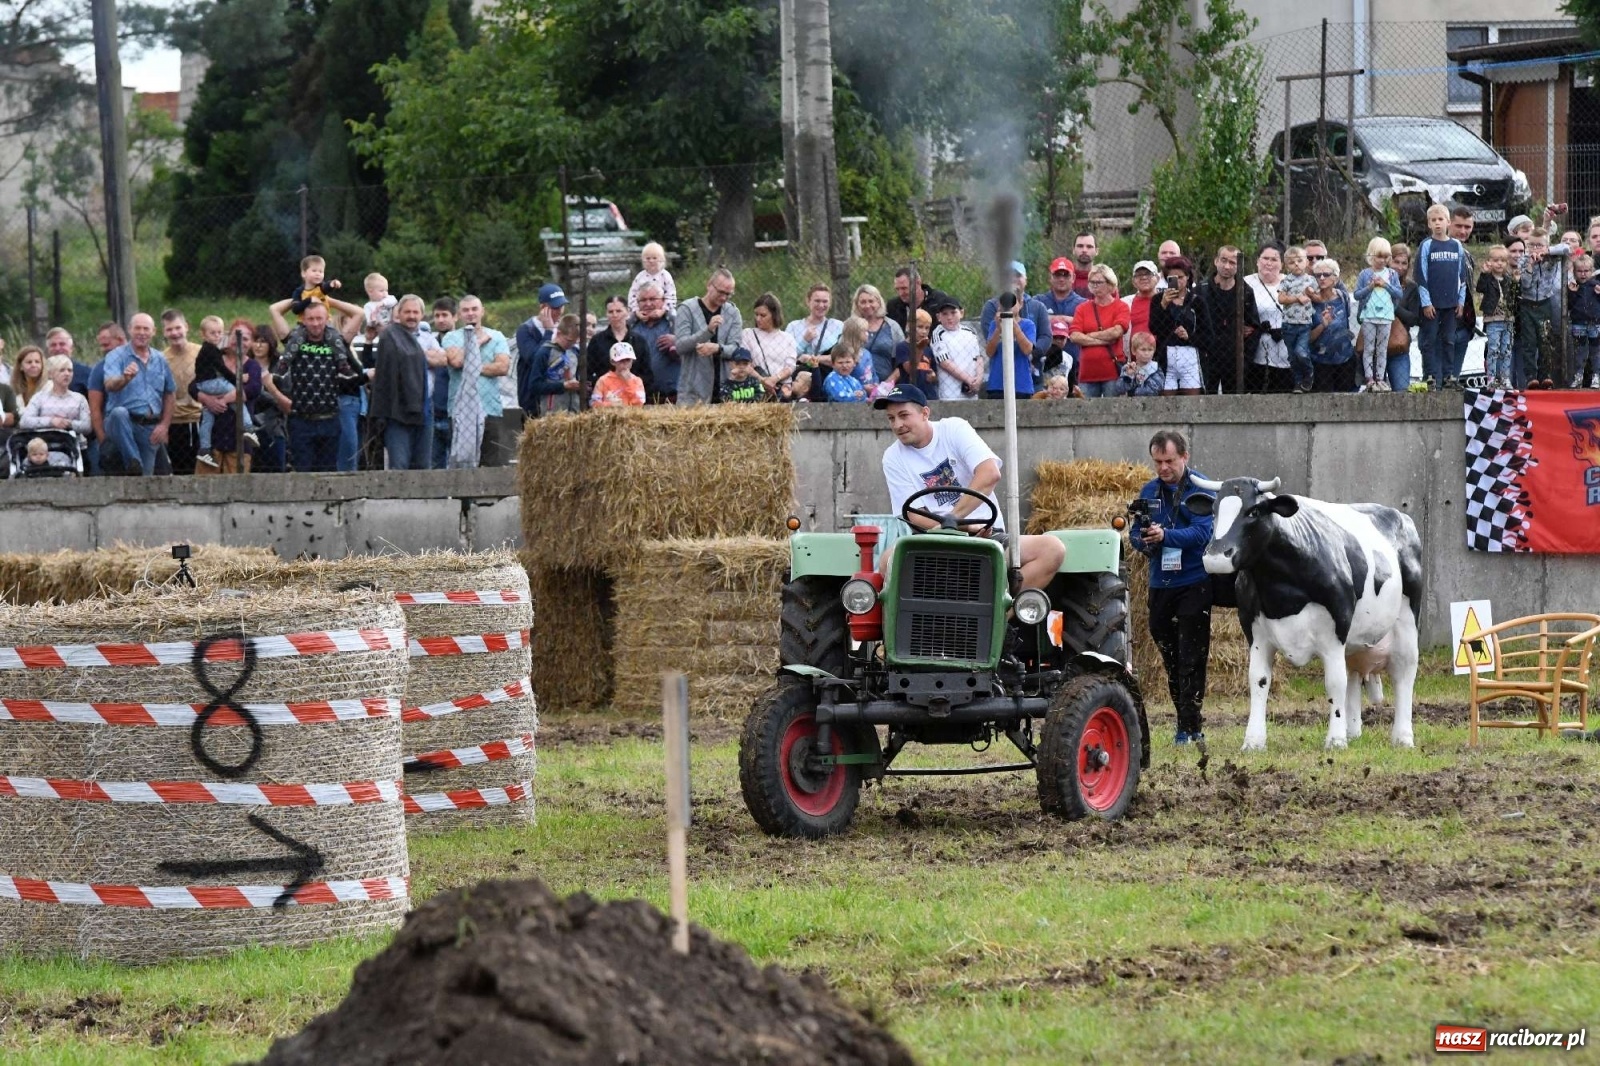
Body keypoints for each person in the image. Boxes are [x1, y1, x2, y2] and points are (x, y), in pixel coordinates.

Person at [876, 383, 1065, 589]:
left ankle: (1002, 617)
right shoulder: (892, 457)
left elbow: (990, 473)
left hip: (987, 535)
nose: (897, 425)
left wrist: (955, 519)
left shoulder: (954, 429)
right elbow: (915, 516)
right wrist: (957, 527)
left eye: (904, 415)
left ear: (924, 413)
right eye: (891, 418)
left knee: (1052, 549)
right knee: (888, 562)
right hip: (932, 539)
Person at [1127, 429, 1216, 745]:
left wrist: (1167, 537)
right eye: (1157, 462)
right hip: (1160, 584)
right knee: (1170, 658)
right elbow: (1135, 534)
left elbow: (1203, 534)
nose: (1163, 468)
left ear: (1184, 457)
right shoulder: (1149, 491)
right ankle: (1185, 722)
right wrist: (1145, 540)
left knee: (1192, 656)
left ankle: (1190, 727)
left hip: (1194, 582)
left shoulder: (1201, 488)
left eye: (1169, 461)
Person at [271, 299, 361, 473]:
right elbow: (274, 309)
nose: (315, 323)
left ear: (327, 318)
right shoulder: (294, 341)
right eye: (310, 319)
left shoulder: (337, 341)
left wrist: (327, 299)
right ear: (303, 320)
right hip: (301, 420)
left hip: (330, 418)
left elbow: (358, 313)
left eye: (320, 318)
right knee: (303, 472)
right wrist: (304, 296)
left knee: (327, 472)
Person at [101, 312, 176, 476]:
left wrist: (164, 425)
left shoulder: (160, 359)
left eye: (146, 329)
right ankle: (133, 460)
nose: (142, 333)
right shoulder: (116, 356)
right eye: (137, 328)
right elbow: (109, 384)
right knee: (119, 413)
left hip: (149, 426)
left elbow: (170, 394)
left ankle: (138, 469)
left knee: (145, 479)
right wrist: (125, 379)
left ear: (154, 331)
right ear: (129, 330)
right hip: (122, 422)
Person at [442, 295, 512, 469]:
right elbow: (456, 361)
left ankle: (489, 498)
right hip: (460, 410)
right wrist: (477, 342)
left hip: (490, 407)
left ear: (482, 311)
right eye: (466, 310)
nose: (470, 314)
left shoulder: (497, 337)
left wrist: (472, 367)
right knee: (463, 462)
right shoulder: (450, 337)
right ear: (459, 314)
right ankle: (466, 497)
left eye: (474, 309)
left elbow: (502, 367)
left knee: (491, 462)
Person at [188, 329, 262, 474]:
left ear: (252, 342)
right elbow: (193, 386)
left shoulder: (252, 366)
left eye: (246, 339)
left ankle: (248, 429)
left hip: (238, 442)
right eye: (235, 337)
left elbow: (252, 389)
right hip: (213, 439)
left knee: (236, 489)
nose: (239, 342)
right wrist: (207, 400)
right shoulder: (214, 356)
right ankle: (205, 450)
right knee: (205, 486)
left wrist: (222, 400)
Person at [1416, 204, 1468, 388]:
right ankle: (1430, 375)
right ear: (1429, 224)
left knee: (1449, 339)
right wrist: (1426, 303)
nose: (1437, 223)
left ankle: (1448, 377)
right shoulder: (1426, 246)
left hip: (1451, 304)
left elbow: (1462, 277)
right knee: (1429, 340)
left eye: (1440, 220)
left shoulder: (1456, 246)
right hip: (1432, 305)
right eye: (1433, 220)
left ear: (1448, 222)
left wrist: (1460, 301)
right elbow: (1421, 276)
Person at [1512, 228, 1572, 388]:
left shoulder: (1552, 258)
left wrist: (1548, 251)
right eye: (1532, 245)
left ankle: (1544, 375)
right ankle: (1531, 376)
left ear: (1546, 245)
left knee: (1544, 340)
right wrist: (1530, 265)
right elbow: (1525, 284)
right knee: (1529, 341)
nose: (1535, 249)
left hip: (1544, 304)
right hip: (1527, 304)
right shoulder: (1524, 260)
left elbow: (1567, 248)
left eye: (1539, 245)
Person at [674, 268, 743, 405]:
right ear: (709, 285)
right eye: (721, 292)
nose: (724, 298)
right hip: (693, 392)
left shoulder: (733, 312)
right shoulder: (687, 309)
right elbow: (680, 346)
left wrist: (717, 349)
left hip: (725, 390)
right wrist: (708, 331)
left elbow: (736, 349)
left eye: (728, 294)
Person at [1069, 264, 1129, 397]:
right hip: (1087, 373)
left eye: (1099, 282)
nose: (1095, 286)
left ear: (1110, 284)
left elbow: (1116, 332)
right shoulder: (1082, 308)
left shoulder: (1121, 307)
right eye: (1092, 282)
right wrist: (1104, 340)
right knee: (1086, 414)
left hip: (1112, 372)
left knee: (1112, 413)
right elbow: (1074, 336)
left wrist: (1088, 336)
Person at [1194, 246, 1245, 394]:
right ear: (1216, 261)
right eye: (1223, 260)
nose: (1227, 266)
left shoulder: (1245, 291)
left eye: (1232, 262)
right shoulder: (1200, 290)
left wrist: (1245, 357)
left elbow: (1251, 326)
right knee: (1205, 397)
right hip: (1207, 356)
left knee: (1234, 399)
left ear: (1238, 266)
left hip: (1235, 358)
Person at [1353, 237, 1401, 393]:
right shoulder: (1365, 274)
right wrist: (1370, 286)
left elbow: (1398, 293)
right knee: (1369, 349)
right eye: (1379, 256)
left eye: (1386, 257)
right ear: (1371, 256)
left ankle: (1380, 378)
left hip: (1386, 316)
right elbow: (1357, 295)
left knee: (1382, 349)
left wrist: (1385, 285)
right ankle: (1369, 379)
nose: (1382, 260)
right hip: (1369, 316)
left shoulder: (1392, 274)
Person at [1148, 256, 1201, 395]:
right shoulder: (1158, 299)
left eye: (1181, 277)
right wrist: (1163, 305)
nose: (1177, 281)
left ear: (1188, 277)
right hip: (1166, 354)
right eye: (1172, 278)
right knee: (1166, 400)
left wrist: (1189, 336)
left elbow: (1208, 334)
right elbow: (1153, 328)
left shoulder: (1197, 301)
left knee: (1191, 401)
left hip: (1190, 355)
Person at [1243, 244, 1292, 393]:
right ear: (1257, 261)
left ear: (1282, 264)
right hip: (1255, 349)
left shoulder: (1291, 283)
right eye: (1265, 258)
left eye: (1274, 259)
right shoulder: (1246, 283)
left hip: (1286, 348)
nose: (1269, 263)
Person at [979, 262, 1051, 362]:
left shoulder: (1038, 307)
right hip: (1001, 362)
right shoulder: (991, 306)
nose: (1013, 279)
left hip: (1032, 365)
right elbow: (989, 338)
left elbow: (1045, 337)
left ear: (1026, 280)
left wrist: (1030, 355)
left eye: (1018, 275)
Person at [1307, 257, 1356, 392]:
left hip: (1345, 358)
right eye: (1318, 275)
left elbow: (1347, 320)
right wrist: (1323, 324)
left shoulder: (1342, 296)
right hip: (1321, 361)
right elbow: (1308, 338)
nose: (1322, 278)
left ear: (1335, 277)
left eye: (1326, 274)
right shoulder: (1310, 302)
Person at [786, 283, 844, 395]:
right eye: (817, 301)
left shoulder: (838, 326)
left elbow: (843, 358)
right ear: (808, 301)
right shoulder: (793, 326)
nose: (821, 305)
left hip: (828, 381)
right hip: (798, 383)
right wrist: (804, 342)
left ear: (830, 303)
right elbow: (787, 357)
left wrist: (813, 359)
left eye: (825, 301)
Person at [521, 313, 584, 415]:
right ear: (559, 333)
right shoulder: (544, 353)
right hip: (552, 413)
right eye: (569, 340)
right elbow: (534, 385)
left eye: (575, 342)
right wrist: (563, 386)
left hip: (574, 411)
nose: (571, 344)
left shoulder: (574, 352)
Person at [1037, 257, 1085, 385]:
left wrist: (1049, 319)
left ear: (1073, 278)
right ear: (1050, 277)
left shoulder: (1083, 304)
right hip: (1045, 369)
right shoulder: (1039, 301)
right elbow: (1033, 321)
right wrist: (1067, 319)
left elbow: (1087, 326)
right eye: (1057, 275)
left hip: (1075, 367)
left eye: (1066, 275)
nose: (1061, 279)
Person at [19, 355, 91, 437]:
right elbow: (24, 421)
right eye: (62, 370)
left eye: (70, 370)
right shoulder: (39, 397)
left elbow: (87, 426)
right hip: (44, 443)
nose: (67, 374)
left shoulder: (79, 398)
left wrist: (69, 423)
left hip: (72, 444)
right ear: (51, 374)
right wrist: (51, 421)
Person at [1276, 246, 1317, 394]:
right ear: (1287, 266)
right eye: (1292, 262)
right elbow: (1281, 298)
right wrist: (1296, 298)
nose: (1297, 265)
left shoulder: (1311, 280)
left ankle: (1309, 374)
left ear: (1306, 262)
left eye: (1300, 261)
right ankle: (1298, 383)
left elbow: (1317, 297)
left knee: (1301, 352)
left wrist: (1311, 295)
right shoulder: (1286, 281)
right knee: (1292, 357)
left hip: (1305, 324)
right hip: (1288, 325)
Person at [630, 282, 679, 404]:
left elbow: (694, 343)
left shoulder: (673, 322)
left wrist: (676, 340)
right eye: (643, 300)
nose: (648, 304)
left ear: (663, 301)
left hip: (672, 393)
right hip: (640, 394)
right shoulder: (632, 326)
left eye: (653, 299)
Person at [983, 292, 1037, 400]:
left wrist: (1015, 326)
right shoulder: (994, 325)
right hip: (997, 384)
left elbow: (1027, 350)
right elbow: (989, 352)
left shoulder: (1028, 325)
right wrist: (998, 329)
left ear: (1020, 304)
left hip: (1021, 384)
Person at [742, 292, 797, 397]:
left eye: (763, 315)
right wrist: (762, 380)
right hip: (755, 389)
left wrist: (775, 379)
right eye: (756, 314)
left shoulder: (787, 338)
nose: (758, 319)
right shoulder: (748, 334)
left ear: (774, 315)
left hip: (781, 390)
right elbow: (745, 364)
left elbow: (790, 366)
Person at [930, 297, 983, 401]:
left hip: (971, 392)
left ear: (961, 313)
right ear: (938, 317)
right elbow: (944, 362)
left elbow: (978, 357)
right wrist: (968, 379)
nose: (949, 317)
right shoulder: (938, 333)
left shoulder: (969, 332)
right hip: (949, 394)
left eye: (953, 313)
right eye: (945, 314)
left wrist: (979, 379)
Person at [1477, 245, 1514, 388]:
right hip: (1493, 319)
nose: (1500, 263)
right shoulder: (1488, 278)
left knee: (1506, 349)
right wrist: (1484, 274)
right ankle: (1491, 377)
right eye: (1496, 260)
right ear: (1489, 262)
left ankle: (1504, 377)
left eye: (1503, 260)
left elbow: (1514, 295)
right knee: (1493, 349)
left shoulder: (1508, 278)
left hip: (1508, 319)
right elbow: (1480, 288)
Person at [1448, 207, 1478, 381]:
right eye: (1458, 226)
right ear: (1449, 223)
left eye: (1467, 227)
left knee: (1454, 380)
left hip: (1463, 325)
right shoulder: (1434, 250)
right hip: (1443, 325)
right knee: (1438, 380)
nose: (1463, 231)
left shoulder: (1467, 255)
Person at [852, 283, 903, 387]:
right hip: (856, 388)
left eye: (871, 301)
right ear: (857, 304)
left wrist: (885, 385)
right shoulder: (850, 327)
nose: (867, 305)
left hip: (887, 386)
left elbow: (904, 361)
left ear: (879, 302)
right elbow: (841, 355)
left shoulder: (892, 326)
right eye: (863, 302)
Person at [587, 295, 640, 386]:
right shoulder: (597, 341)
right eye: (611, 312)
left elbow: (646, 373)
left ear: (627, 312)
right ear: (606, 314)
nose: (615, 315)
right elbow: (587, 371)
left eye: (618, 311)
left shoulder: (638, 341)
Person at [884, 266, 950, 334]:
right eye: (897, 289)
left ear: (918, 283)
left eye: (904, 288)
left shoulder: (938, 300)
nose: (900, 293)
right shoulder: (893, 306)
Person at [889, 309, 940, 395]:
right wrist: (919, 349)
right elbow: (910, 369)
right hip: (910, 394)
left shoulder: (928, 349)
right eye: (920, 327)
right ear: (910, 326)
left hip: (928, 394)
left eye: (927, 328)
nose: (924, 331)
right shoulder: (903, 347)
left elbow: (934, 373)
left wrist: (933, 377)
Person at [515, 283, 568, 366]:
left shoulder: (563, 326)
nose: (560, 311)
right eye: (555, 307)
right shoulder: (526, 329)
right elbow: (534, 360)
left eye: (562, 306)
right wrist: (549, 331)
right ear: (543, 307)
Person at [1568, 253, 1600, 389]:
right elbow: (1569, 306)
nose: (1583, 274)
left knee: (1596, 351)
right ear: (1574, 272)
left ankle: (1596, 376)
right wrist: (1572, 293)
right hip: (1578, 323)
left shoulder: (1596, 286)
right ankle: (1578, 376)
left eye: (1586, 271)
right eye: (1579, 271)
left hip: (1595, 323)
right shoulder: (1573, 287)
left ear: (1592, 271)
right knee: (1580, 351)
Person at [626, 241, 677, 316]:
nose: (651, 261)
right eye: (648, 258)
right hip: (642, 309)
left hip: (663, 309)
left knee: (673, 315)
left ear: (661, 259)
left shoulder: (665, 276)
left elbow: (671, 295)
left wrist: (663, 310)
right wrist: (636, 311)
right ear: (643, 260)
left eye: (654, 258)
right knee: (629, 319)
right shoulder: (640, 277)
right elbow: (632, 295)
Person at [1122, 260, 1160, 360]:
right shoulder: (1125, 303)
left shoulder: (1165, 300)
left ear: (1157, 278)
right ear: (1133, 281)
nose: (1143, 277)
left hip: (1161, 359)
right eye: (1138, 275)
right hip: (1133, 362)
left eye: (1148, 274)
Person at [11, 345, 45, 410]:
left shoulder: (49, 387)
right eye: (29, 362)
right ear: (21, 366)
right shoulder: (12, 388)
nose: (33, 365)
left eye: (37, 362)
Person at [1070, 232, 1098, 298]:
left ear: (1097, 251)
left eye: (1089, 247)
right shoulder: (1064, 278)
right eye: (1080, 246)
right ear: (1073, 250)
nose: (1084, 250)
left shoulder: (1105, 280)